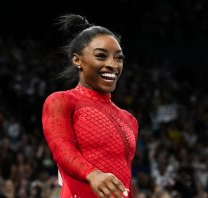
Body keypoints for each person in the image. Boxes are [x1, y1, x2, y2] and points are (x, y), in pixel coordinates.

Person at [42, 14, 138, 198]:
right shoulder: (62, 101)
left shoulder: (129, 119)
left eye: (119, 58)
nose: (113, 65)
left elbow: (125, 180)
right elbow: (62, 150)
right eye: (101, 56)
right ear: (77, 60)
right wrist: (92, 174)